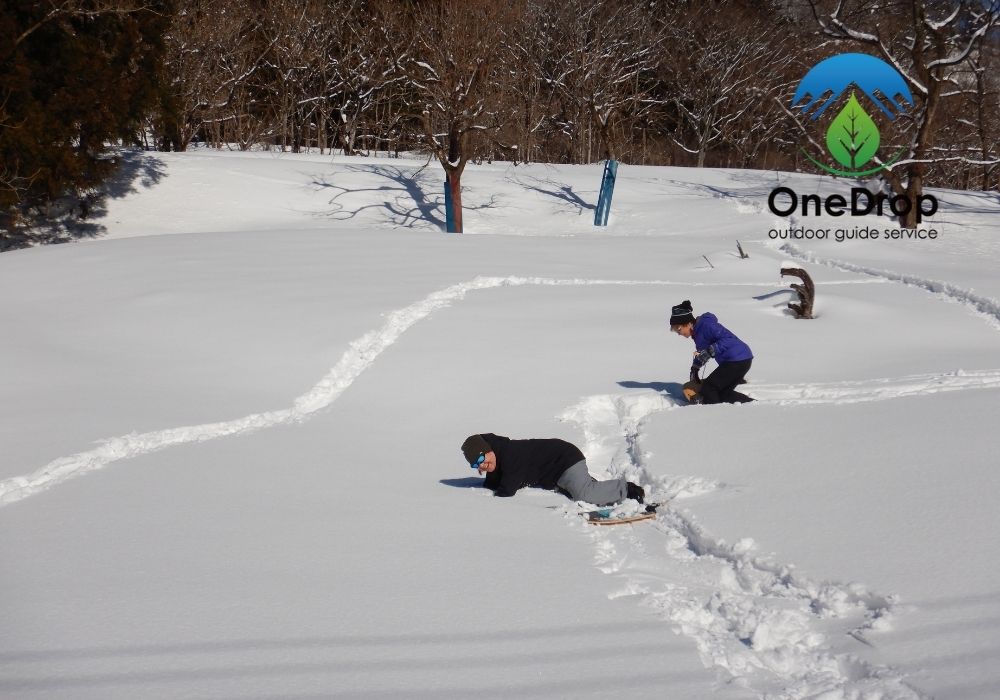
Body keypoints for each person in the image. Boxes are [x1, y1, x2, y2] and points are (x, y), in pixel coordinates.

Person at [461, 433, 645, 506]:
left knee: (583, 494)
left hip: (565, 460)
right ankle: (603, 490)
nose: (482, 466)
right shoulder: (499, 457)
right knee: (576, 490)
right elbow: (495, 482)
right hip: (557, 471)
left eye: (480, 459)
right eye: (475, 465)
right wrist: (490, 474)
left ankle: (627, 489)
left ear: (487, 450)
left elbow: (507, 490)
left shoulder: (509, 454)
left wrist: (493, 482)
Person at [669, 300, 753, 404]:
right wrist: (695, 367)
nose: (678, 333)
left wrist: (711, 350)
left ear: (688, 323)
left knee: (709, 388)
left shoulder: (706, 326)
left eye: (678, 329)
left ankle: (714, 413)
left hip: (737, 359)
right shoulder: (697, 334)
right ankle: (754, 405)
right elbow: (703, 353)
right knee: (723, 393)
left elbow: (729, 339)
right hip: (740, 360)